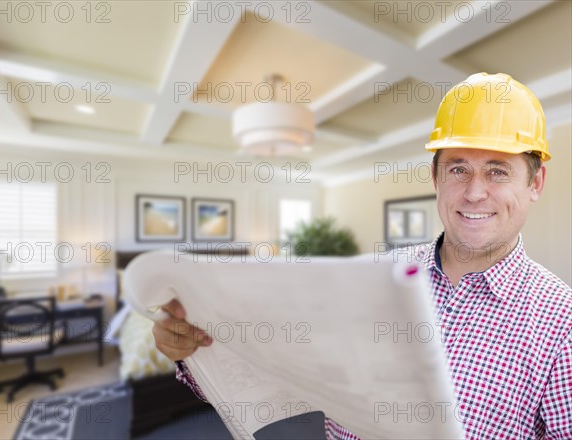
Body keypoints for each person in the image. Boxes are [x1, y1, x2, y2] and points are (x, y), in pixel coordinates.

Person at [152, 73, 572, 439]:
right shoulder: (374, 275)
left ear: (536, 183)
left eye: (498, 170)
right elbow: (280, 373)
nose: (475, 191)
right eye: (458, 168)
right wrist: (195, 349)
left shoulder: (561, 321)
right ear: (435, 177)